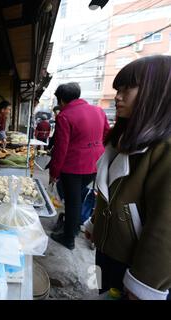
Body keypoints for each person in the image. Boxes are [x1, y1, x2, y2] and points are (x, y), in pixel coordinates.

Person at [84, 55, 171, 300]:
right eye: (117, 90)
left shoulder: (164, 149)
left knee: (116, 295)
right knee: (99, 291)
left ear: (157, 92)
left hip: (133, 265)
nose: (118, 97)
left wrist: (144, 285)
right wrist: (94, 223)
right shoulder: (121, 140)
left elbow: (165, 227)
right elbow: (110, 193)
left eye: (127, 89)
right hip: (105, 246)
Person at [48, 82, 110, 250]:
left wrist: (54, 173)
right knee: (77, 197)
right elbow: (107, 135)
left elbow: (61, 149)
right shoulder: (98, 111)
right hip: (94, 164)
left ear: (61, 100)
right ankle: (73, 228)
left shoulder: (64, 116)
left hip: (73, 166)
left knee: (72, 201)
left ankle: (68, 238)